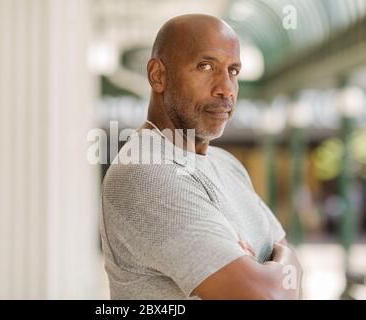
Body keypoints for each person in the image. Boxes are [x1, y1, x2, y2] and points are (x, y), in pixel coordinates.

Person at [100, 14, 303, 299]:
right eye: (205, 66)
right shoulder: (146, 174)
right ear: (158, 75)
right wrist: (279, 265)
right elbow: (268, 295)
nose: (225, 89)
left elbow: (293, 280)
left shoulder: (227, 164)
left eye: (233, 71)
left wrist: (277, 268)